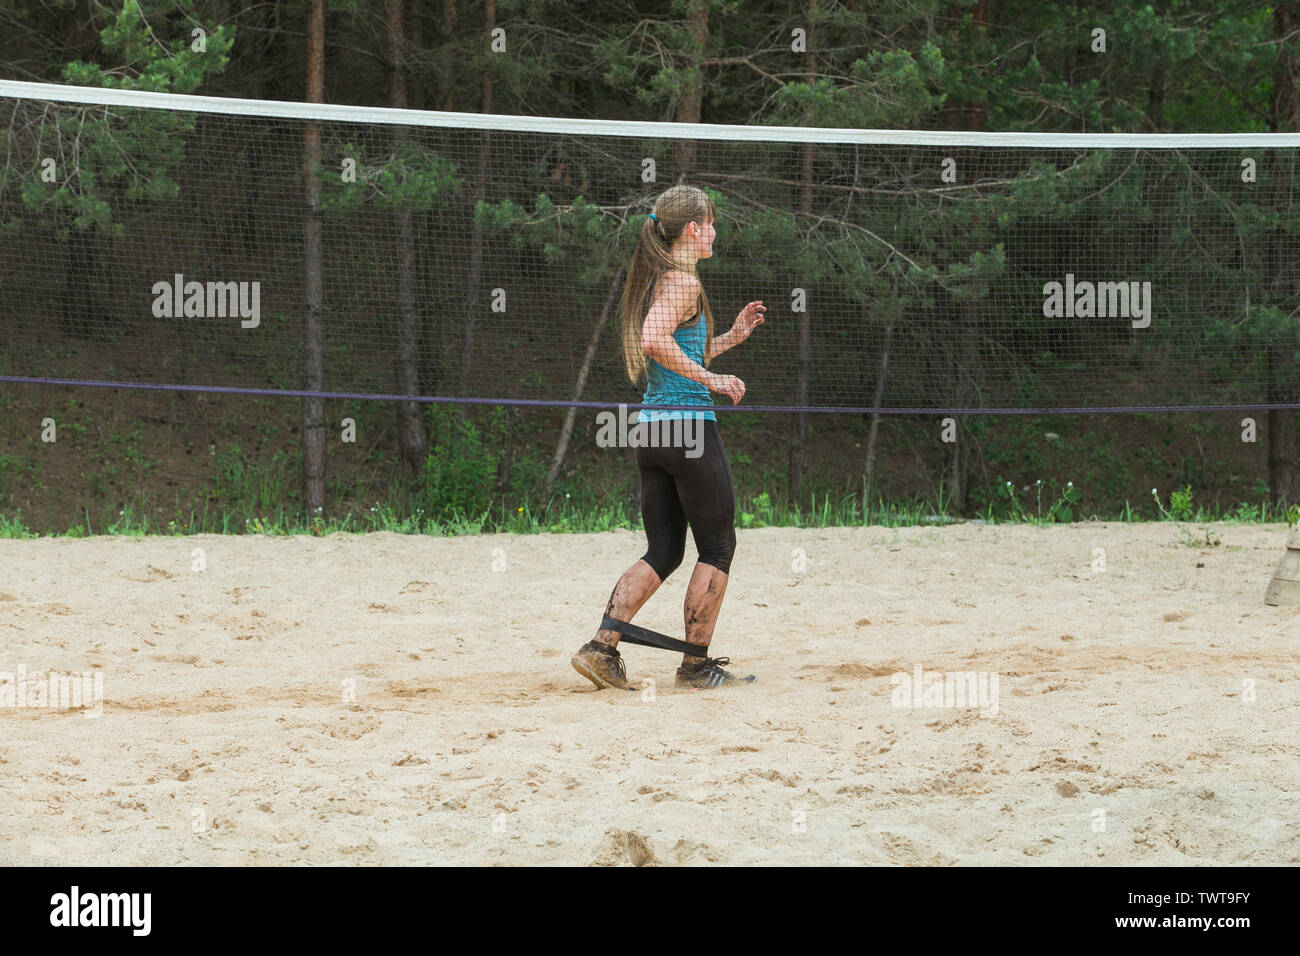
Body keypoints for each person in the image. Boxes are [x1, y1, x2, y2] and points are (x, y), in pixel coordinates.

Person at [571, 184, 765, 691]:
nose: (716, 231)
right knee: (718, 546)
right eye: (712, 223)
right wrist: (714, 380)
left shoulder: (666, 281)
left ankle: (601, 649)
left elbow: (674, 355)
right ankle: (696, 666)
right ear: (694, 229)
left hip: (654, 432)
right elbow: (653, 341)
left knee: (663, 550)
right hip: (688, 431)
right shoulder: (681, 283)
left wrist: (729, 341)